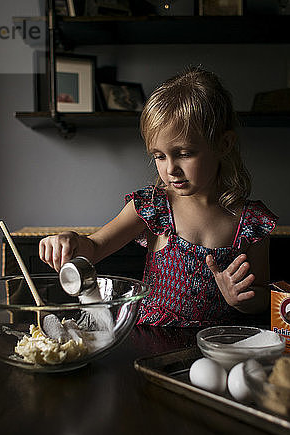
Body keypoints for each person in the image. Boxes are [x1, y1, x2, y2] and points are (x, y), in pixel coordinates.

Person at [39, 66, 277, 326]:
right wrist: (70, 241)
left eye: (184, 153)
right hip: (152, 342)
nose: (170, 169)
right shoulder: (154, 206)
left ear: (224, 144)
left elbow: (262, 297)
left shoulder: (251, 222)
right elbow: (95, 248)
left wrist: (241, 299)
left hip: (218, 345)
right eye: (159, 156)